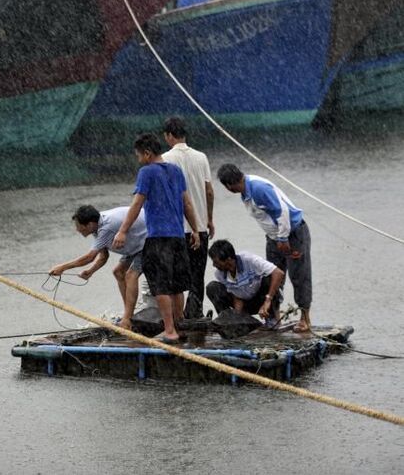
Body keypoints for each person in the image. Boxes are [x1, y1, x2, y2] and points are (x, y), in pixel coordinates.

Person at [114, 133, 202, 343]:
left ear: (147, 153)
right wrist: (196, 230)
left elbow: (137, 203)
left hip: (158, 237)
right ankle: (178, 326)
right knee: (177, 285)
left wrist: (123, 230)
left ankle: (169, 330)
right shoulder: (175, 170)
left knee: (160, 285)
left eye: (138, 155)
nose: (138, 160)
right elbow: (187, 203)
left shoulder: (147, 172)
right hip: (178, 236)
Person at [217, 163, 313, 332]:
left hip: (292, 234)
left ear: (229, 185)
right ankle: (274, 319)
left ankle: (305, 318)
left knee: (299, 276)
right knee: (271, 276)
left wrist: (283, 238)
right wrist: (276, 238)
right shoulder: (245, 192)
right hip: (273, 237)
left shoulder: (257, 188)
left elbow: (281, 211)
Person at [49, 204, 148, 330]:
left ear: (89, 224)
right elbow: (103, 256)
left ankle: (127, 319)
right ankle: (129, 314)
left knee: (130, 275)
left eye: (78, 226)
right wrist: (90, 271)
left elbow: (89, 257)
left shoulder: (106, 227)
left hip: (150, 242)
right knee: (118, 272)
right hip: (135, 245)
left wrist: (62, 267)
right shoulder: (97, 225)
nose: (77, 230)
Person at [161, 117, 214, 320]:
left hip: (175, 229)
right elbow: (209, 191)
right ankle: (195, 313)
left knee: (176, 277)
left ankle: (178, 318)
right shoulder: (201, 157)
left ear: (169, 135)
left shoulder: (164, 159)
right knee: (197, 274)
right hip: (199, 226)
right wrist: (209, 219)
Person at [206, 239, 284, 323]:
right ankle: (226, 320)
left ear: (228, 259)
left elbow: (278, 273)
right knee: (212, 287)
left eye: (216, 262)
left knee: (269, 278)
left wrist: (267, 300)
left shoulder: (249, 260)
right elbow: (236, 296)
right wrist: (237, 317)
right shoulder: (220, 274)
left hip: (262, 300)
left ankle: (271, 319)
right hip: (246, 304)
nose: (214, 265)